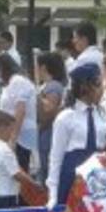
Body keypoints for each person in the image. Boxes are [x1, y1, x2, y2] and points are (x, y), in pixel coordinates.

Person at [48, 63, 106, 208]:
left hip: (98, 172)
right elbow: (56, 157)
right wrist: (53, 193)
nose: (102, 90)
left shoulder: (103, 114)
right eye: (98, 85)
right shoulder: (66, 117)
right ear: (85, 87)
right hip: (73, 172)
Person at [0, 53, 38, 172]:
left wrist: (13, 137)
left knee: (19, 167)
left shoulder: (18, 81)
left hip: (20, 133)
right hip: (10, 131)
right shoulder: (11, 83)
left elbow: (20, 110)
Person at [36, 52, 67, 182]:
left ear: (43, 68)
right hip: (46, 133)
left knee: (45, 170)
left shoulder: (53, 86)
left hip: (48, 133)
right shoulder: (49, 86)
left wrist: (37, 97)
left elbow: (49, 111)